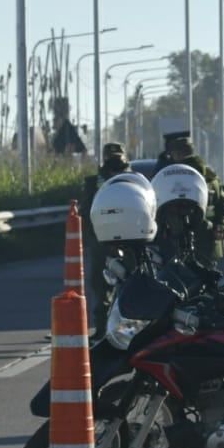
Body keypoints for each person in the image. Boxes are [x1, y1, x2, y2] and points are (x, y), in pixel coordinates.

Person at [79, 142, 133, 331]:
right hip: (102, 239)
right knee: (101, 285)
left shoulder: (134, 180)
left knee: (132, 282)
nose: (115, 160)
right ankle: (102, 329)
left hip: (131, 239)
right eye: (111, 156)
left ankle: (129, 328)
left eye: (118, 155)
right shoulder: (94, 182)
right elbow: (85, 211)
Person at [164, 133, 224, 269]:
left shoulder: (176, 177)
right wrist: (221, 226)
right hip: (208, 240)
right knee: (207, 279)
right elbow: (223, 206)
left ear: (178, 154)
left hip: (182, 238)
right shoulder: (210, 175)